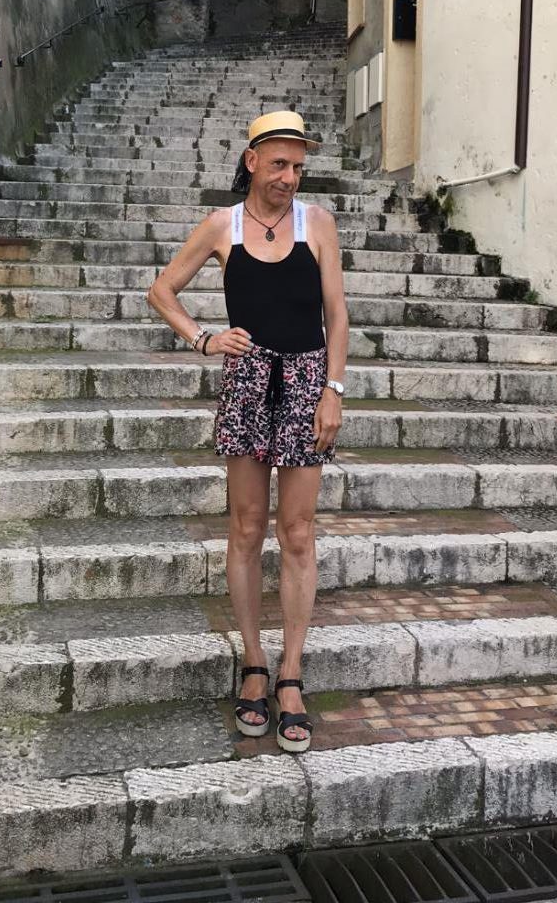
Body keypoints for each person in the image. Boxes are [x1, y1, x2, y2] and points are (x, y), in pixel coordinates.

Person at [147, 110, 349, 753]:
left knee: (298, 531)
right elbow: (162, 290)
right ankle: (254, 663)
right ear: (252, 160)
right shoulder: (222, 226)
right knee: (245, 527)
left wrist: (333, 390)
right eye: (280, 163)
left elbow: (338, 314)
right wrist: (203, 338)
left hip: (307, 382)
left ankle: (291, 673)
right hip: (248, 380)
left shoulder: (317, 224)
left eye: (299, 166)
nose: (289, 177)